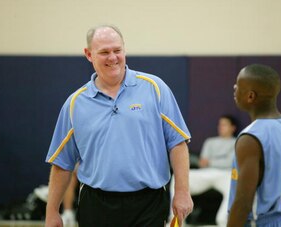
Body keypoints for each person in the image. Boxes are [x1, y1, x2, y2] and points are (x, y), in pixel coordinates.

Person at [45, 25, 193, 227]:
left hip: (149, 204)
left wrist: (183, 192)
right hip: (96, 205)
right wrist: (52, 211)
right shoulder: (75, 103)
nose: (113, 58)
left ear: (125, 50)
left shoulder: (155, 88)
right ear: (89, 54)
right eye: (104, 52)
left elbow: (178, 144)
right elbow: (62, 163)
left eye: (117, 50)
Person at [227, 64, 281, 226]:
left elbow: (243, 203)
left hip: (261, 222)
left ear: (251, 96)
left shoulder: (250, 137)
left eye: (238, 85)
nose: (234, 87)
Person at [171, 114, 237, 226]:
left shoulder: (237, 142)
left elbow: (230, 163)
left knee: (234, 185)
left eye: (224, 125)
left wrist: (211, 161)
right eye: (220, 124)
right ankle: (176, 219)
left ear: (232, 127)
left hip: (225, 174)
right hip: (207, 172)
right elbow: (202, 163)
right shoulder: (210, 142)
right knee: (177, 177)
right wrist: (218, 161)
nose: (221, 127)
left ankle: (224, 222)